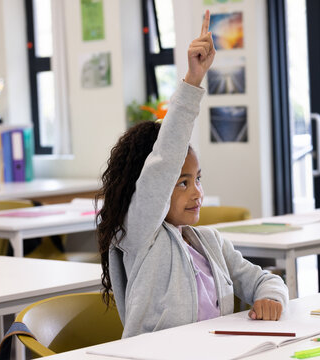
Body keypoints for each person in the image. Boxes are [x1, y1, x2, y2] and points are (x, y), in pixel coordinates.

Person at [96, 10, 288, 339]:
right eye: (182, 183)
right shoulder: (141, 235)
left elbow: (263, 279)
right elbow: (164, 160)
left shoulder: (210, 243)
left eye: (197, 179)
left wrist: (270, 297)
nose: (197, 192)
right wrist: (193, 79)